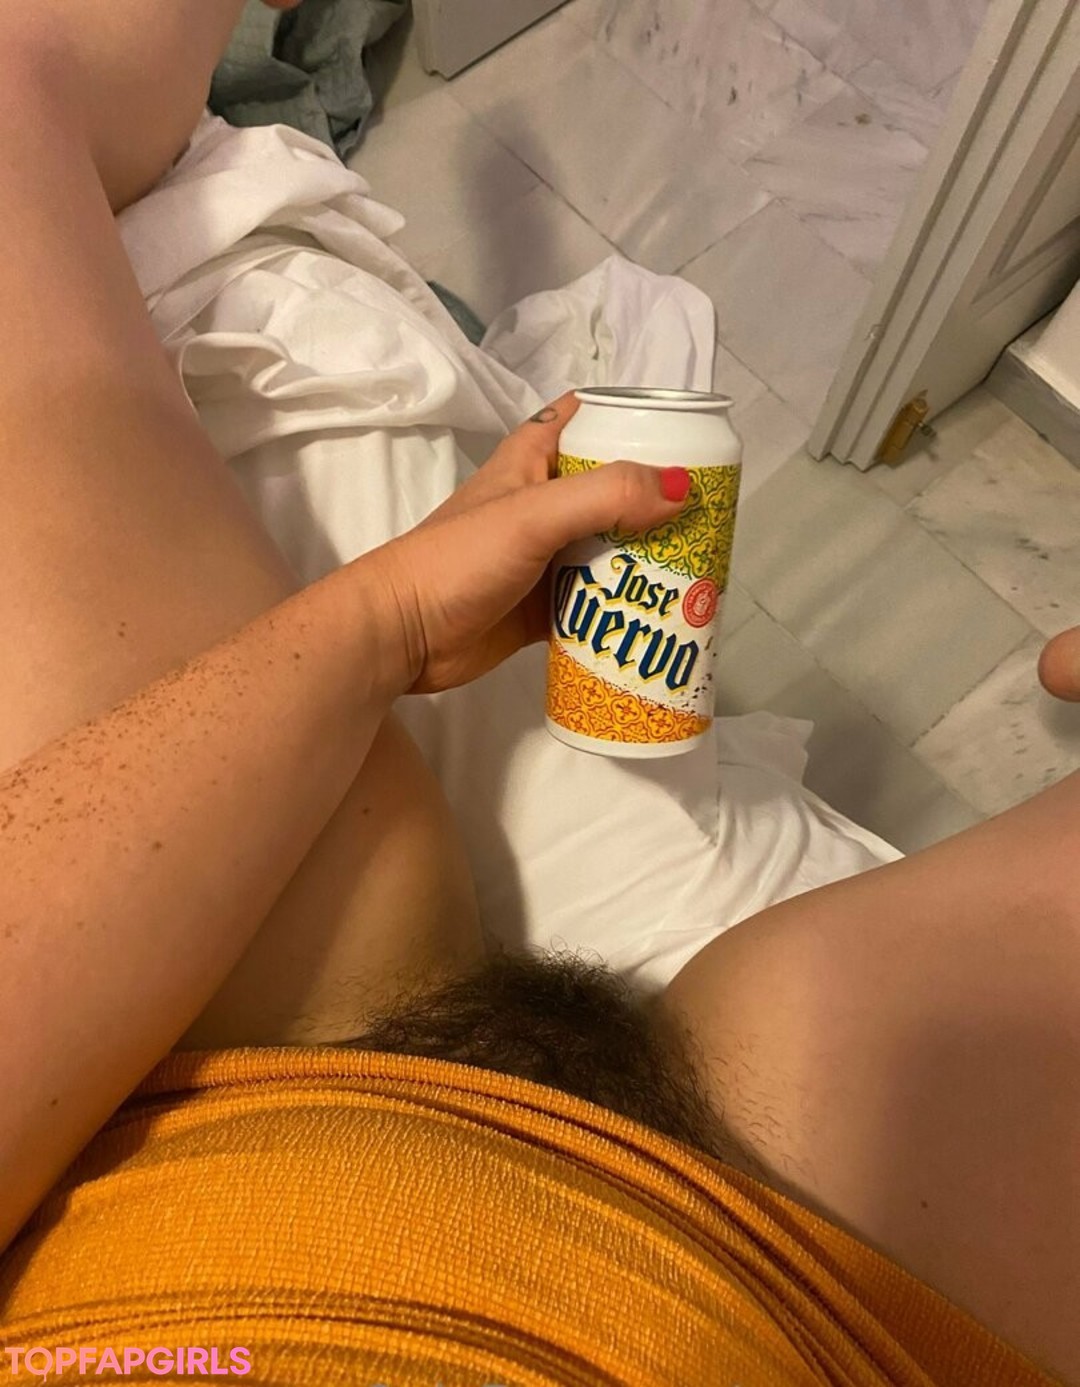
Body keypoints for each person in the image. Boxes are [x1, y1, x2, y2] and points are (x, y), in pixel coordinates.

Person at [0, 3, 1076, 1383]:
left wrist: (386, 618)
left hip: (239, 1149)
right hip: (819, 1291)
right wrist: (384, 621)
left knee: (19, 83)